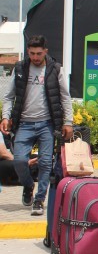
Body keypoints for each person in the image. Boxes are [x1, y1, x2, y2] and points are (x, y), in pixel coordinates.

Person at [1, 35, 73, 216]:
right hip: (24, 124)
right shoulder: (20, 68)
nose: (35, 57)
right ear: (27, 51)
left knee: (46, 163)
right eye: (32, 53)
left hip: (47, 124)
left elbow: (65, 97)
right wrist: (5, 116)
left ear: (45, 51)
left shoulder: (55, 69)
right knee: (18, 160)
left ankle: (40, 200)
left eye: (38, 53)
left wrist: (68, 122)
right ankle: (27, 186)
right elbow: (9, 97)